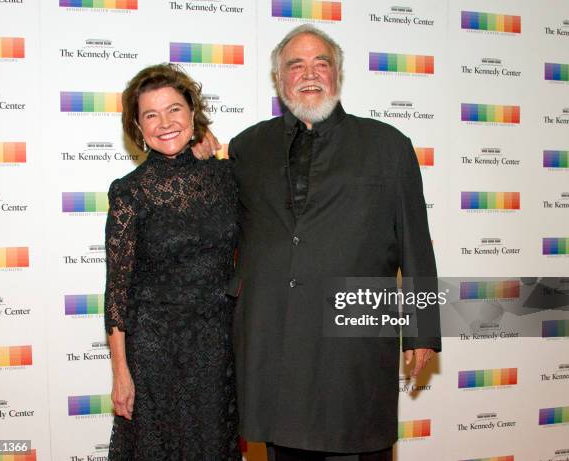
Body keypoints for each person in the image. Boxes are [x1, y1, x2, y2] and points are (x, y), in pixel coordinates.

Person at [223, 25, 441, 460]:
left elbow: (416, 242)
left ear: (337, 74)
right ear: (279, 78)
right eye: (296, 65)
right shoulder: (247, 148)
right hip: (275, 342)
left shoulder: (388, 146)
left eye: (321, 63)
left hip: (351, 346)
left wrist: (422, 330)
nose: (309, 73)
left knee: (358, 444)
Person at [104, 63, 240, 460]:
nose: (165, 122)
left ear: (192, 112)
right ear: (138, 126)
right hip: (154, 352)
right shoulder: (130, 193)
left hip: (217, 347)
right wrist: (120, 372)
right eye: (151, 114)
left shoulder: (226, 177)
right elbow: (117, 291)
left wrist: (221, 150)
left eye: (175, 109)